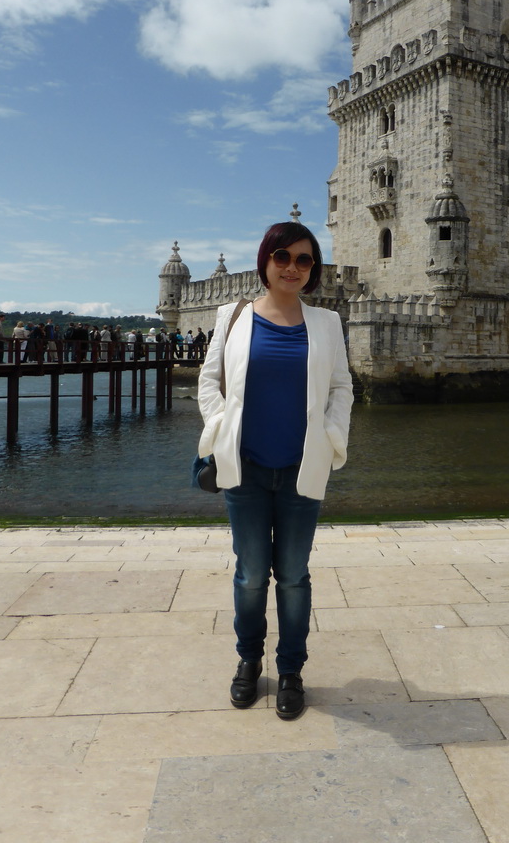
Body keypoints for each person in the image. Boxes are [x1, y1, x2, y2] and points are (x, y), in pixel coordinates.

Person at [197, 221, 353, 720]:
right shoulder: (232, 316)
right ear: (265, 261)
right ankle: (249, 662)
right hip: (243, 469)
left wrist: (331, 439)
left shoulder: (327, 324)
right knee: (248, 576)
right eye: (282, 257)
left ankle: (290, 670)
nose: (292, 267)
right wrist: (221, 428)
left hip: (301, 470)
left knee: (292, 577)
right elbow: (209, 380)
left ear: (314, 269)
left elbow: (341, 389)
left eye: (304, 260)